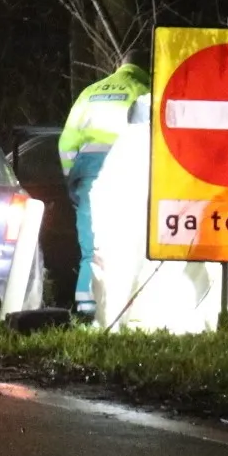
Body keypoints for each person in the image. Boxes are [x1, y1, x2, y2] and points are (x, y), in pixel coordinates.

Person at [58, 56, 150, 316]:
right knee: (128, 246)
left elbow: (66, 143)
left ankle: (87, 309)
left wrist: (73, 179)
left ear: (118, 66)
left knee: (92, 246)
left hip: (88, 175)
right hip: (128, 177)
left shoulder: (90, 92)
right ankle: (124, 312)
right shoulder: (144, 92)